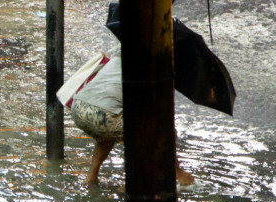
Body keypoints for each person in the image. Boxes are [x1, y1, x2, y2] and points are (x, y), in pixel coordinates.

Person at [62, 47, 195, 186]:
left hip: (78, 108)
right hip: (104, 115)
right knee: (164, 132)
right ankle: (136, 184)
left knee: (106, 136)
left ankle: (91, 178)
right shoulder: (155, 66)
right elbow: (157, 111)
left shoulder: (122, 51)